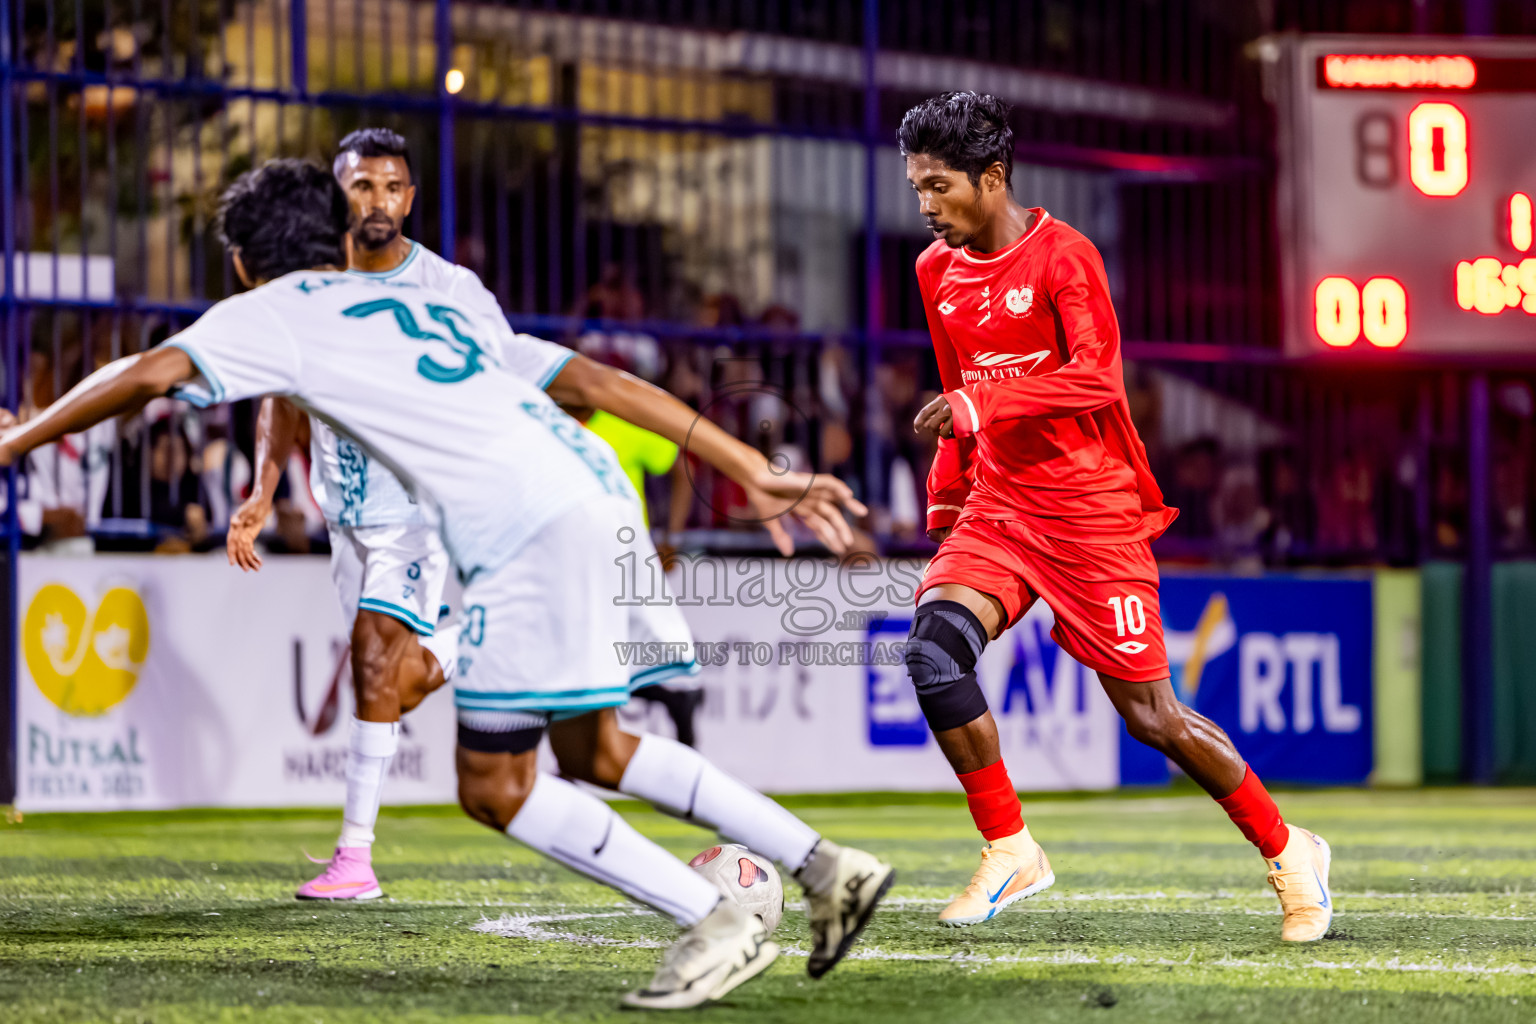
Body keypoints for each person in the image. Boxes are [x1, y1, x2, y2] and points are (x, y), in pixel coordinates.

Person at [0, 159, 893, 1008]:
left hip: (522, 532)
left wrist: (16, 439)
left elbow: (142, 373)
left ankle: (715, 921)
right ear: (339, 234)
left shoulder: (269, 309)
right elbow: (593, 378)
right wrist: (753, 466)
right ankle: (824, 867)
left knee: (495, 786)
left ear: (242, 263)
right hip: (592, 495)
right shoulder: (431, 305)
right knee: (593, 753)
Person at [897, 92, 1332, 940]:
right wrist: (951, 499)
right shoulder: (934, 272)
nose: (925, 205)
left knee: (1152, 720)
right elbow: (957, 388)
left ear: (992, 178)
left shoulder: (1065, 256)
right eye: (916, 187)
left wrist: (980, 410)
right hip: (1000, 509)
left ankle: (1289, 851)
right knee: (933, 652)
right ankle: (1010, 846)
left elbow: (1099, 380)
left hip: (1092, 515)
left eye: (939, 186)